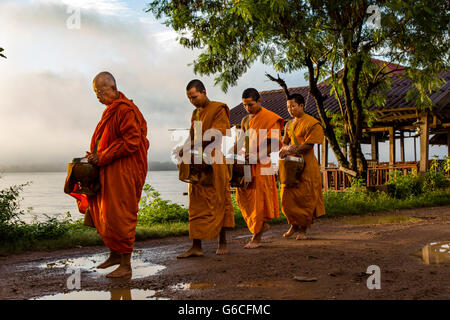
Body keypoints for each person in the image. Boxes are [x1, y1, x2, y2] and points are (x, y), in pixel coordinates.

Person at [80, 71, 149, 278]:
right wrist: (95, 155)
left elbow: (132, 141)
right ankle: (114, 255)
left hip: (124, 172)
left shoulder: (126, 110)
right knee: (105, 213)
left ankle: (126, 265)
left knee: (121, 216)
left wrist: (103, 156)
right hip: (109, 169)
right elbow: (108, 140)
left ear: (113, 88)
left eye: (100, 91)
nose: (98, 96)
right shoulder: (111, 110)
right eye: (95, 93)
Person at [176, 79, 235, 258]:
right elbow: (192, 135)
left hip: (215, 160)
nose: (192, 101)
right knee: (196, 203)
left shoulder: (218, 109)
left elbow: (217, 133)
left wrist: (192, 143)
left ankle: (222, 241)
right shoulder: (195, 114)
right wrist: (183, 147)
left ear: (203, 92)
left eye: (194, 97)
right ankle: (196, 246)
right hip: (198, 162)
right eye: (189, 98)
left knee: (219, 199)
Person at [233, 88, 284, 248]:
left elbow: (274, 143)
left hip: (262, 164)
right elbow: (241, 140)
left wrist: (258, 155)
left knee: (258, 200)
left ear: (259, 101)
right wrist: (230, 154)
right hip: (247, 164)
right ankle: (260, 226)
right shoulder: (245, 120)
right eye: (245, 105)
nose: (248, 108)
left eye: (251, 104)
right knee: (243, 198)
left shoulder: (270, 118)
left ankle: (257, 237)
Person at [279, 93, 325, 240]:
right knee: (287, 197)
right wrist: (286, 149)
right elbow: (284, 143)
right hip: (292, 167)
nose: (290, 109)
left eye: (293, 106)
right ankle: (293, 225)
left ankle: (303, 230)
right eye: (288, 107)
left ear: (301, 106)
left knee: (305, 199)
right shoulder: (288, 125)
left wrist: (294, 149)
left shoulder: (312, 123)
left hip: (307, 166)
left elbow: (310, 144)